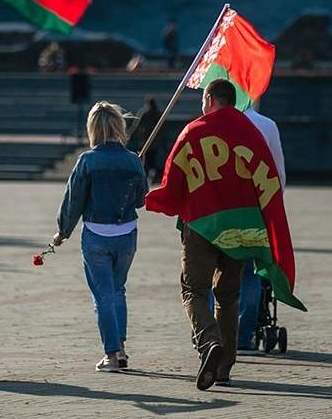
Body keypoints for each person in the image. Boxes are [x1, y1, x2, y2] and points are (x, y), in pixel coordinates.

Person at [147, 78, 288, 390]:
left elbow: (172, 182)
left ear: (210, 100)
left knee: (194, 290)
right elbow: (269, 180)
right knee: (228, 295)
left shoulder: (193, 131)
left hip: (201, 225)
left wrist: (152, 200)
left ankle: (209, 342)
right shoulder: (250, 133)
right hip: (240, 228)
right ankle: (223, 368)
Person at [52, 101, 147, 372]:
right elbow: (141, 200)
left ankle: (111, 354)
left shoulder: (88, 160)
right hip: (126, 233)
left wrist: (63, 231)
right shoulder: (132, 159)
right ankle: (122, 347)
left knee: (103, 295)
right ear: (119, 126)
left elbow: (73, 200)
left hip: (96, 234)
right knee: (118, 290)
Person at [236, 102, 286, 355]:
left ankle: (211, 333)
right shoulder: (267, 125)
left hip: (217, 214)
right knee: (250, 274)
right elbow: (278, 174)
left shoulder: (209, 125)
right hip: (255, 211)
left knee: (213, 273)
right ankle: (244, 336)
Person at [129, 96, 163, 182]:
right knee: (152, 161)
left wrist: (129, 134)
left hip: (146, 142)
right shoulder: (158, 113)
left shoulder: (144, 113)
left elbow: (136, 126)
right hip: (154, 142)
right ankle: (151, 175)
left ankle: (147, 176)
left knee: (146, 161)